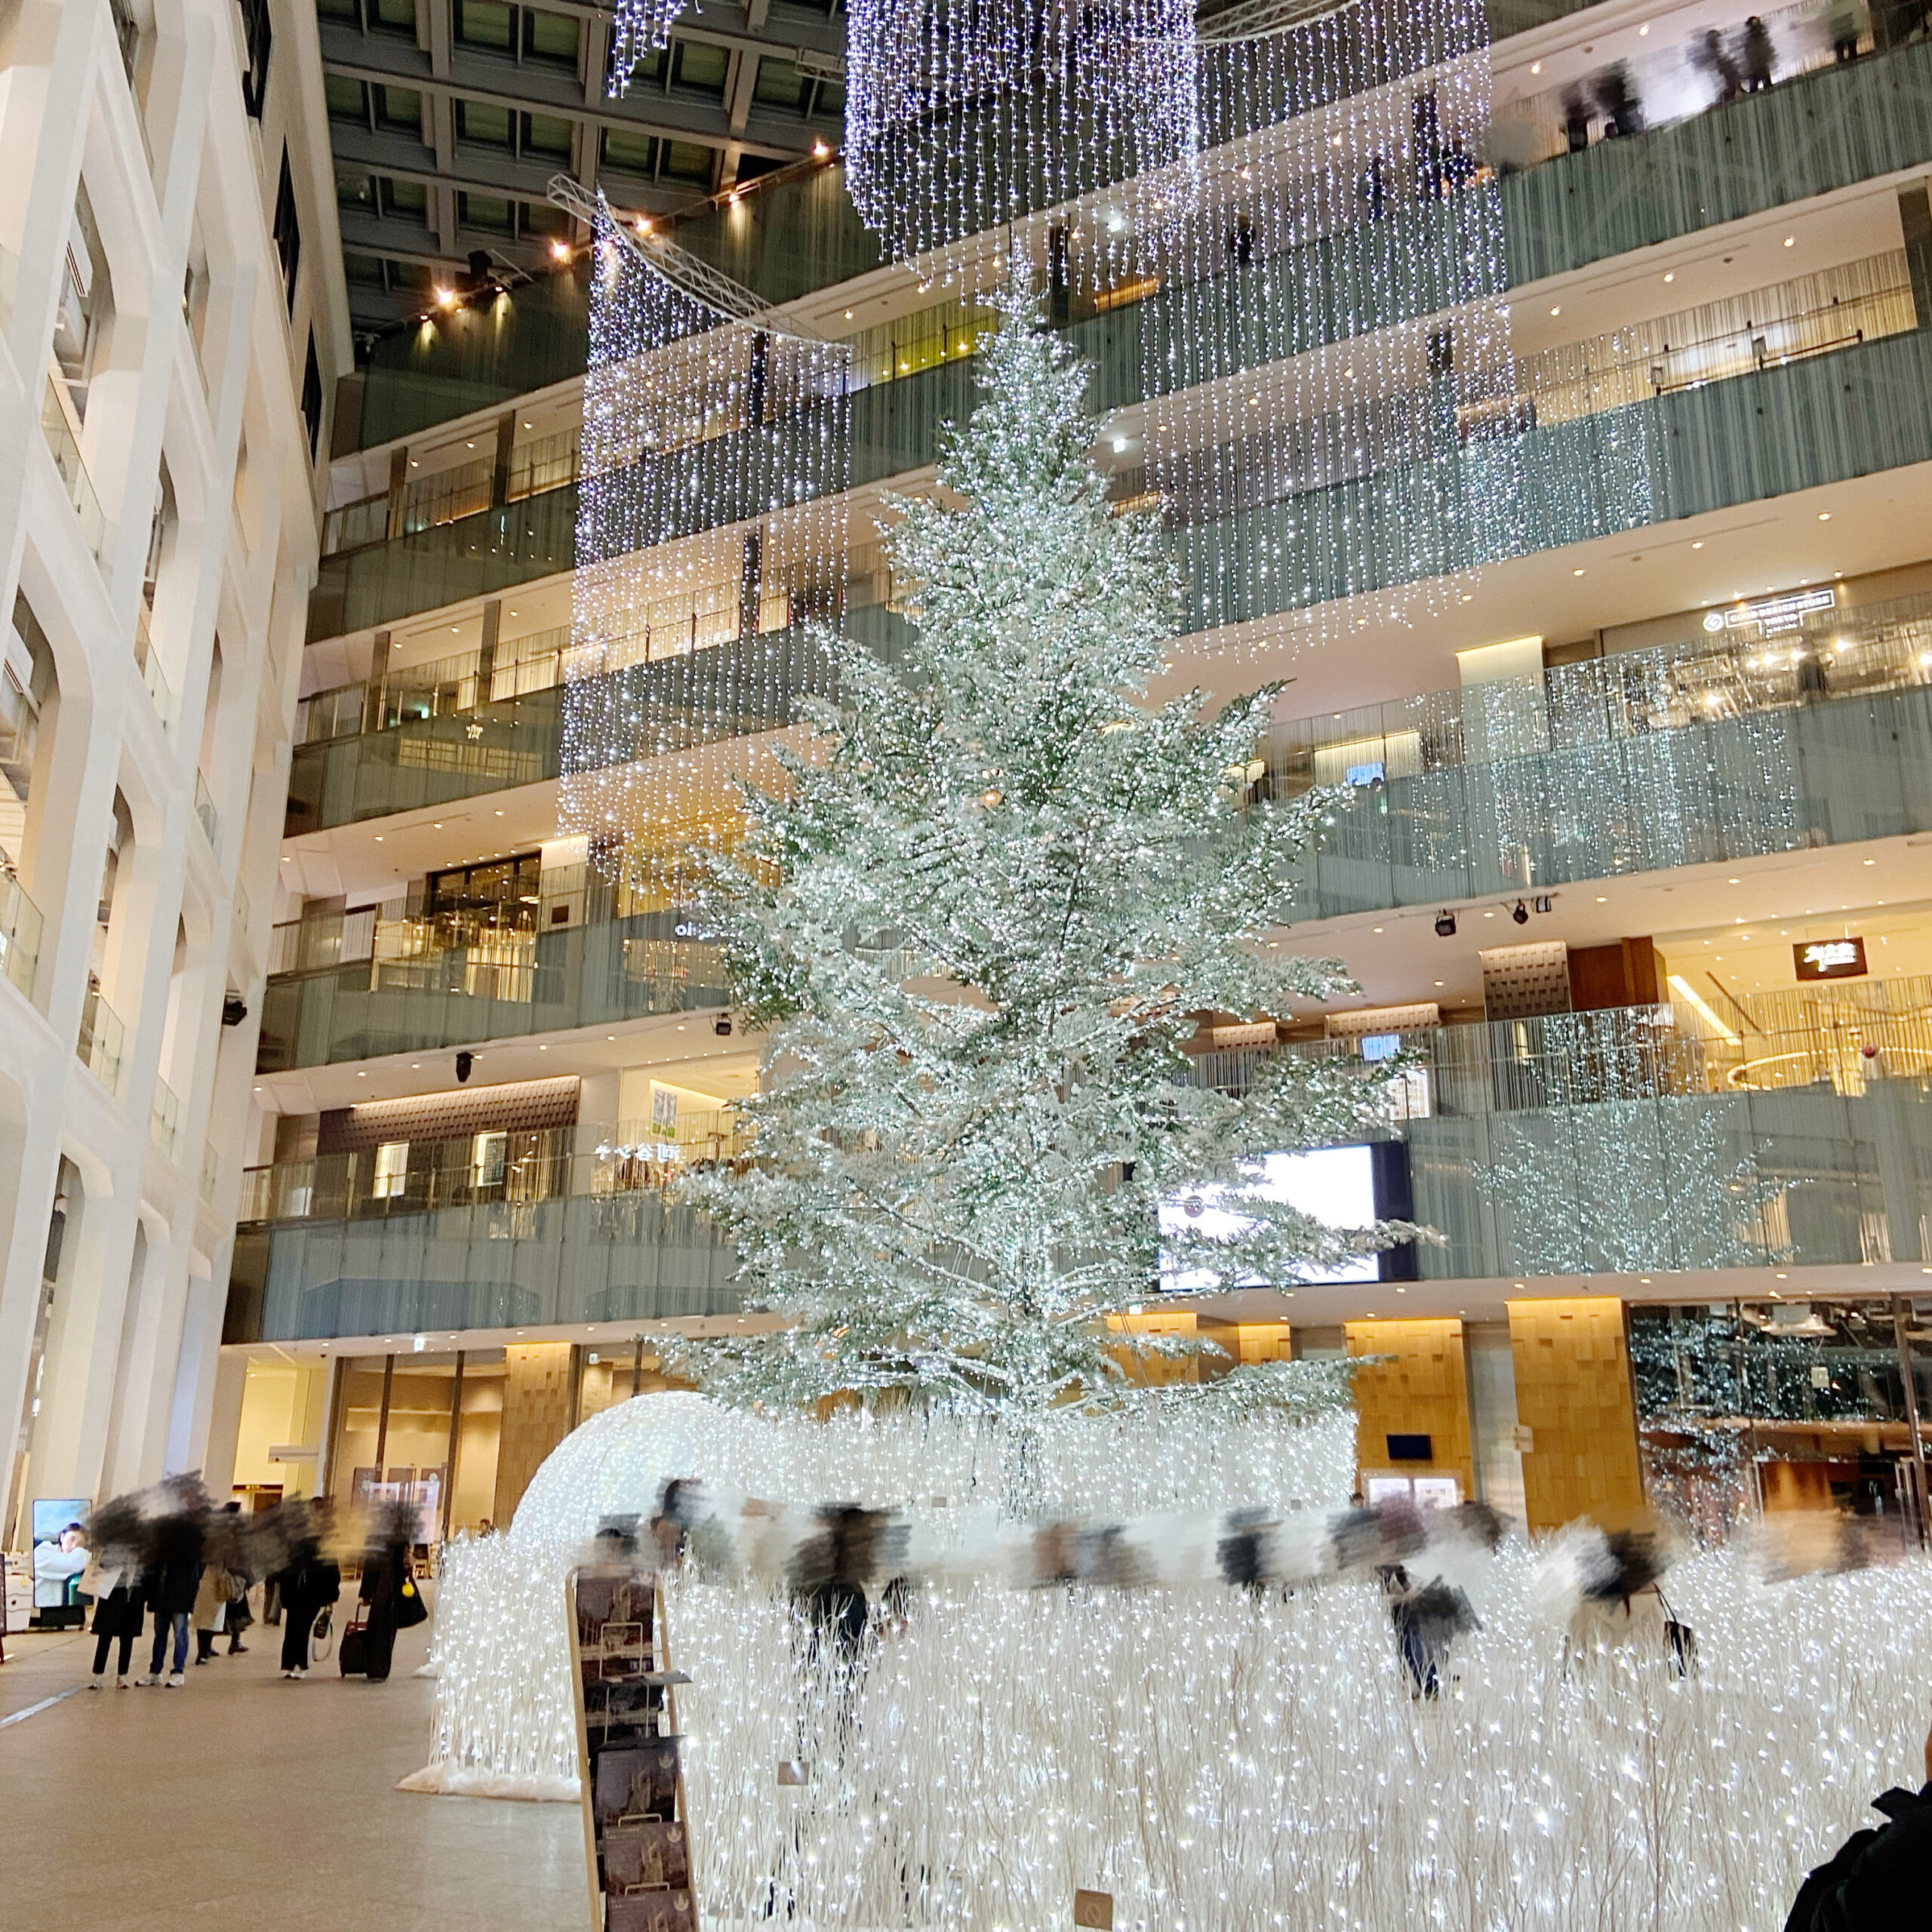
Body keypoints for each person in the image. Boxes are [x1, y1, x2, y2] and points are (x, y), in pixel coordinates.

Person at [136, 1509, 204, 1687]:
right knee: (160, 1634)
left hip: (180, 1595)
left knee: (180, 1633)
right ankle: (155, 1671)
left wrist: (190, 1597)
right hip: (161, 1595)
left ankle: (178, 1671)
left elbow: (196, 1571)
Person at [270, 1508, 340, 1680]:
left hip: (313, 1592)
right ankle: (290, 1664)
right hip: (295, 1589)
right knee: (292, 1627)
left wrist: (331, 1597)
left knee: (302, 1627)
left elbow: (332, 1570)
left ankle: (299, 1664)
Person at [83, 1552, 145, 1688]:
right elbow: (103, 1563)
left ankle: (123, 1675)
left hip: (132, 1599)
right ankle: (98, 1676)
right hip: (112, 1597)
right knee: (105, 1636)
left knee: (127, 1637)